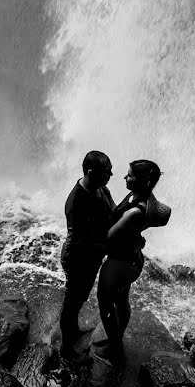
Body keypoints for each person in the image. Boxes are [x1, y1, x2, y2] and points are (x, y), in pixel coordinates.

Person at [94, 159, 169, 361]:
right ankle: (115, 338)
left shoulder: (136, 211)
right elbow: (118, 213)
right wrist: (107, 194)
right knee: (121, 300)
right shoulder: (140, 195)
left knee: (105, 303)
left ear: (143, 181)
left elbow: (108, 237)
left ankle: (116, 348)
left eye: (130, 175)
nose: (125, 177)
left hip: (120, 264)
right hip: (132, 259)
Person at [59, 151, 116, 362]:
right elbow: (80, 240)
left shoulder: (101, 189)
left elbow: (114, 212)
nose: (111, 175)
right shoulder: (76, 201)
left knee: (79, 297)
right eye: (106, 172)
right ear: (91, 172)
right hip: (77, 257)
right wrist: (107, 245)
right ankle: (66, 350)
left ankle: (73, 332)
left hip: (91, 255)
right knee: (72, 301)